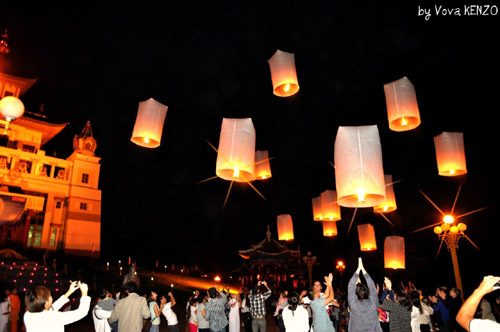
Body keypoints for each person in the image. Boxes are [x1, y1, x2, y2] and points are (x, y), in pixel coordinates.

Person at [23, 280, 90, 332]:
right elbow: (82, 312)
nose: (51, 297)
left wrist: (70, 291)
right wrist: (84, 292)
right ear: (46, 302)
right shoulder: (55, 317)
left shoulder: (28, 315)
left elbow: (51, 309)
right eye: (50, 295)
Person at [347, 258, 382, 332]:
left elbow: (350, 286)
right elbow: (372, 287)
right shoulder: (373, 303)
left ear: (356, 292)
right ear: (367, 292)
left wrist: (358, 270)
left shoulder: (353, 304)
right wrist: (363, 270)